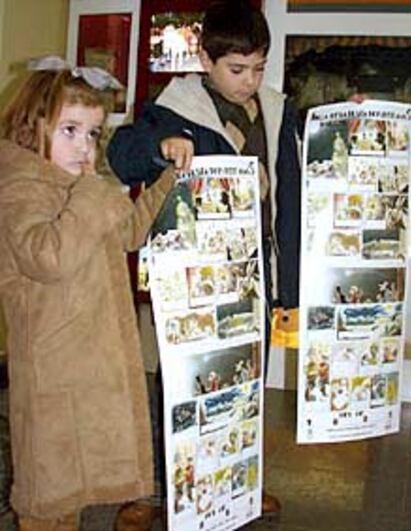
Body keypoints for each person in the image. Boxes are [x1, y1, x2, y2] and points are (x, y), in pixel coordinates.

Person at [107, 0, 301, 521]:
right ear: (206, 60)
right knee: (181, 386)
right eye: (237, 69)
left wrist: (291, 294)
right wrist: (160, 146)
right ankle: (164, 491)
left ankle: (239, 482)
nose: (249, 80)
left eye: (258, 67)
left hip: (254, 273)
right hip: (192, 277)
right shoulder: (173, 107)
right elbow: (121, 151)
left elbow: (292, 203)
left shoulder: (279, 112)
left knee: (246, 384)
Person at [0, 57, 175, 531]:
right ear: (32, 125)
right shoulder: (20, 187)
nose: (84, 147)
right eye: (70, 130)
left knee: (71, 494)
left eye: (93, 134)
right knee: (46, 500)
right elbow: (47, 257)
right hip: (52, 376)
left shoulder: (81, 189)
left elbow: (131, 232)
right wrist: (92, 196)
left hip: (88, 368)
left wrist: (169, 181)